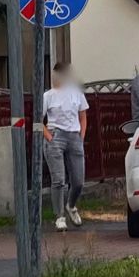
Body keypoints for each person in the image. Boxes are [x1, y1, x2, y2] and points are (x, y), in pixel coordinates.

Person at [42, 62, 89, 231]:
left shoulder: (77, 93)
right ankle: (59, 216)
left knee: (78, 181)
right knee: (59, 179)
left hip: (74, 136)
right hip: (56, 136)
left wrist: (81, 136)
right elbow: (38, 120)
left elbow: (83, 116)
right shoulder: (48, 96)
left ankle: (71, 205)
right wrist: (49, 137)